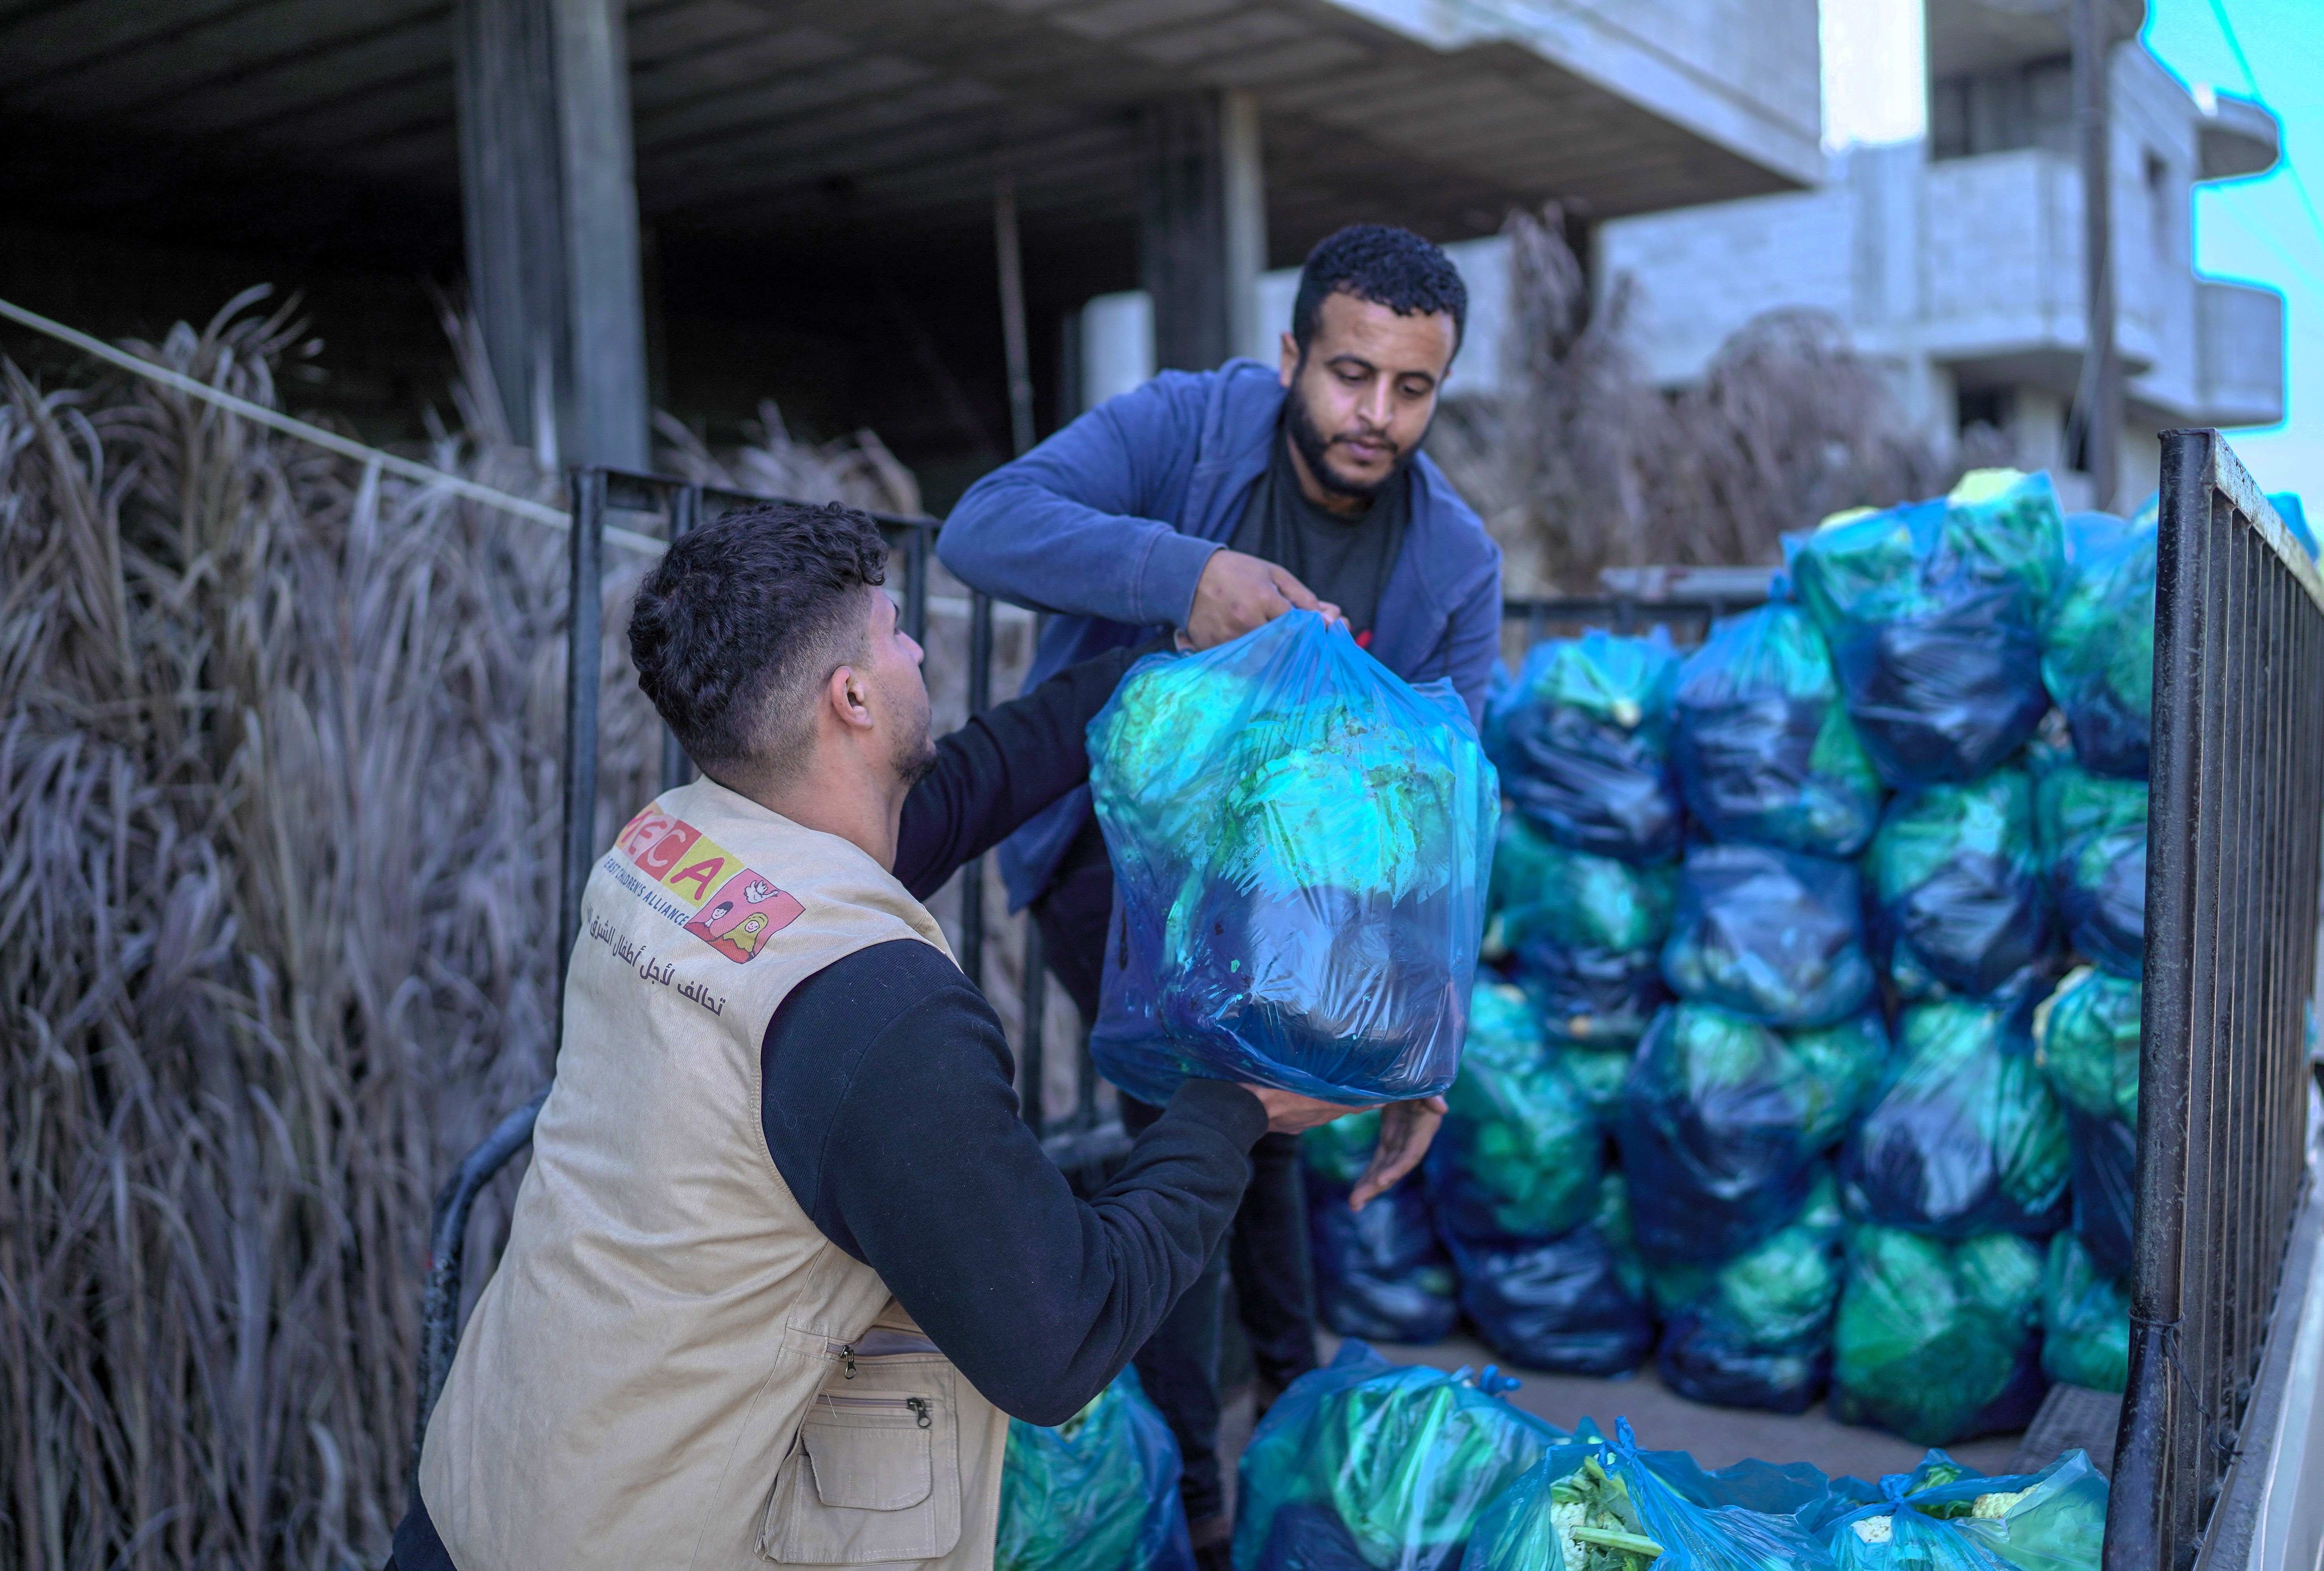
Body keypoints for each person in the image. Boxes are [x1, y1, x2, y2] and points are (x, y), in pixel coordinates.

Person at [392, 501, 1443, 1571]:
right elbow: (1057, 1339)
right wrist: (1235, 1107)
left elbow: (978, 779)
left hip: (486, 1490)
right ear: (853, 697)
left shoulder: (670, 849)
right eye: (897, 633)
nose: (920, 652)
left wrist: (1167, 661)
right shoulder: (876, 1010)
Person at [938, 222, 1502, 1562]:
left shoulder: (1453, 562)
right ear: (1292, 354)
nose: (1375, 416)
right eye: (1350, 375)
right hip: (1118, 877)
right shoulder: (1188, 431)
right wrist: (1182, 577)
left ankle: (1290, 1426)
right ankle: (1198, 1480)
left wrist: (1430, 1049)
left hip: (1307, 923)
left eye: (1412, 389)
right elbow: (982, 525)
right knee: (1191, 1141)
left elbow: (1446, 831)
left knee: (1261, 1142)